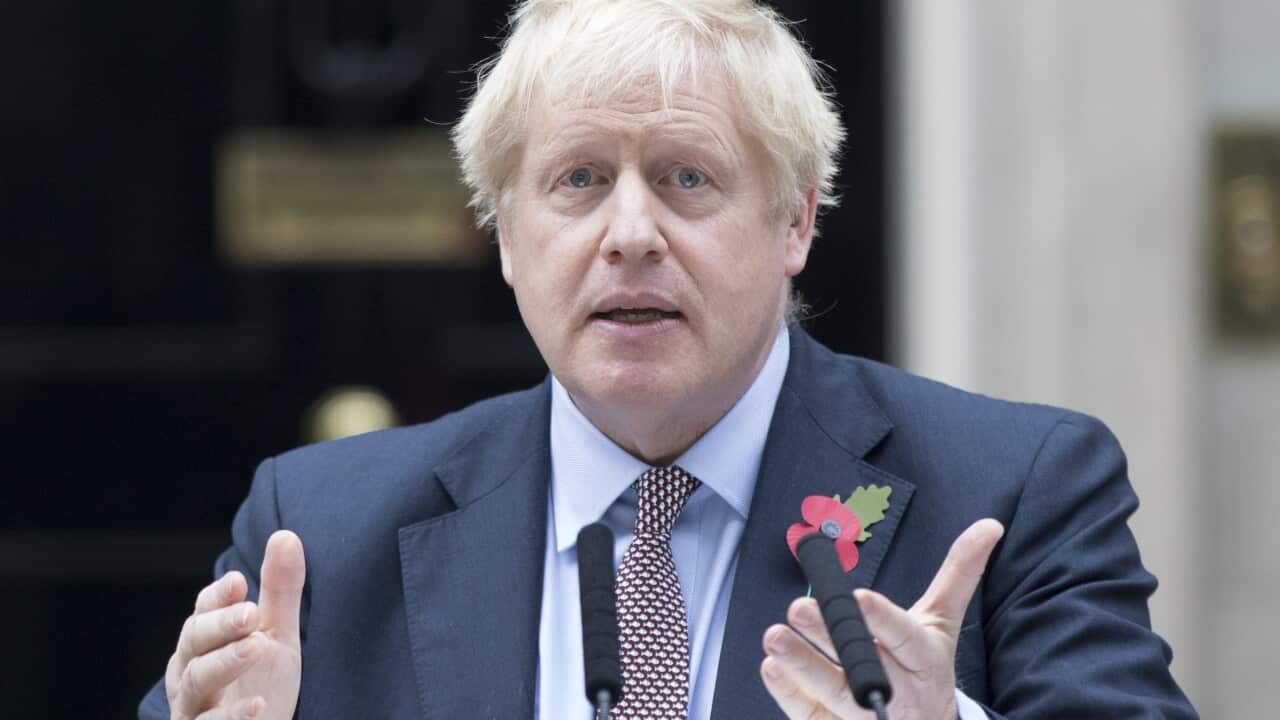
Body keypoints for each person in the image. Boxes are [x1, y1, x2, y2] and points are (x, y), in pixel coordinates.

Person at [140, 1, 1198, 718]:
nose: (630, 233)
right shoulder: (317, 530)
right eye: (578, 179)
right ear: (504, 236)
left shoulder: (1015, 486)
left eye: (687, 178)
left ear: (793, 222)